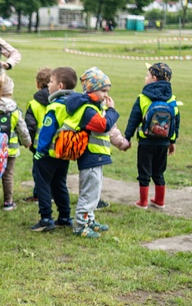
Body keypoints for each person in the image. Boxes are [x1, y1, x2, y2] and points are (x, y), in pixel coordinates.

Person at [69, 68, 119, 239]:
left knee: (94, 192)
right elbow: (104, 125)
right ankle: (80, 225)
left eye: (107, 91)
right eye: (103, 91)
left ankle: (89, 220)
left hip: (96, 157)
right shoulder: (88, 110)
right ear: (91, 89)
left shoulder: (94, 107)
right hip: (90, 157)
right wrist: (111, 111)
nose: (106, 95)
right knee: (89, 193)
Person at [124, 62, 180, 209]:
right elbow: (175, 123)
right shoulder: (172, 99)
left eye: (147, 75)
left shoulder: (143, 98)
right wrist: (172, 141)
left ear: (154, 78)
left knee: (144, 172)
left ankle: (143, 202)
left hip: (145, 142)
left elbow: (133, 120)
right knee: (159, 172)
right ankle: (160, 201)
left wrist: (127, 138)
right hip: (163, 143)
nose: (145, 77)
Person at [30, 67, 77, 232]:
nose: (48, 85)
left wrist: (39, 151)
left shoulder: (55, 107)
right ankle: (65, 216)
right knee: (60, 184)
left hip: (48, 154)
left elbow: (46, 132)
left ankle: (46, 218)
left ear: (60, 86)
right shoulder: (75, 105)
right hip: (64, 153)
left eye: (51, 82)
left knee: (43, 185)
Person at [0, 73, 31, 211]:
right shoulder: (14, 109)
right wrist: (27, 142)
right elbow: (22, 128)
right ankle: (8, 202)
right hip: (11, 149)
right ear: (11, 92)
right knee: (8, 175)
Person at [23, 67, 52, 204]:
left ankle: (38, 195)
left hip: (38, 145)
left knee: (39, 172)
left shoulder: (33, 104)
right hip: (56, 143)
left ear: (37, 84)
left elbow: (30, 126)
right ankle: (52, 195)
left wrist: (29, 143)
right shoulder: (60, 101)